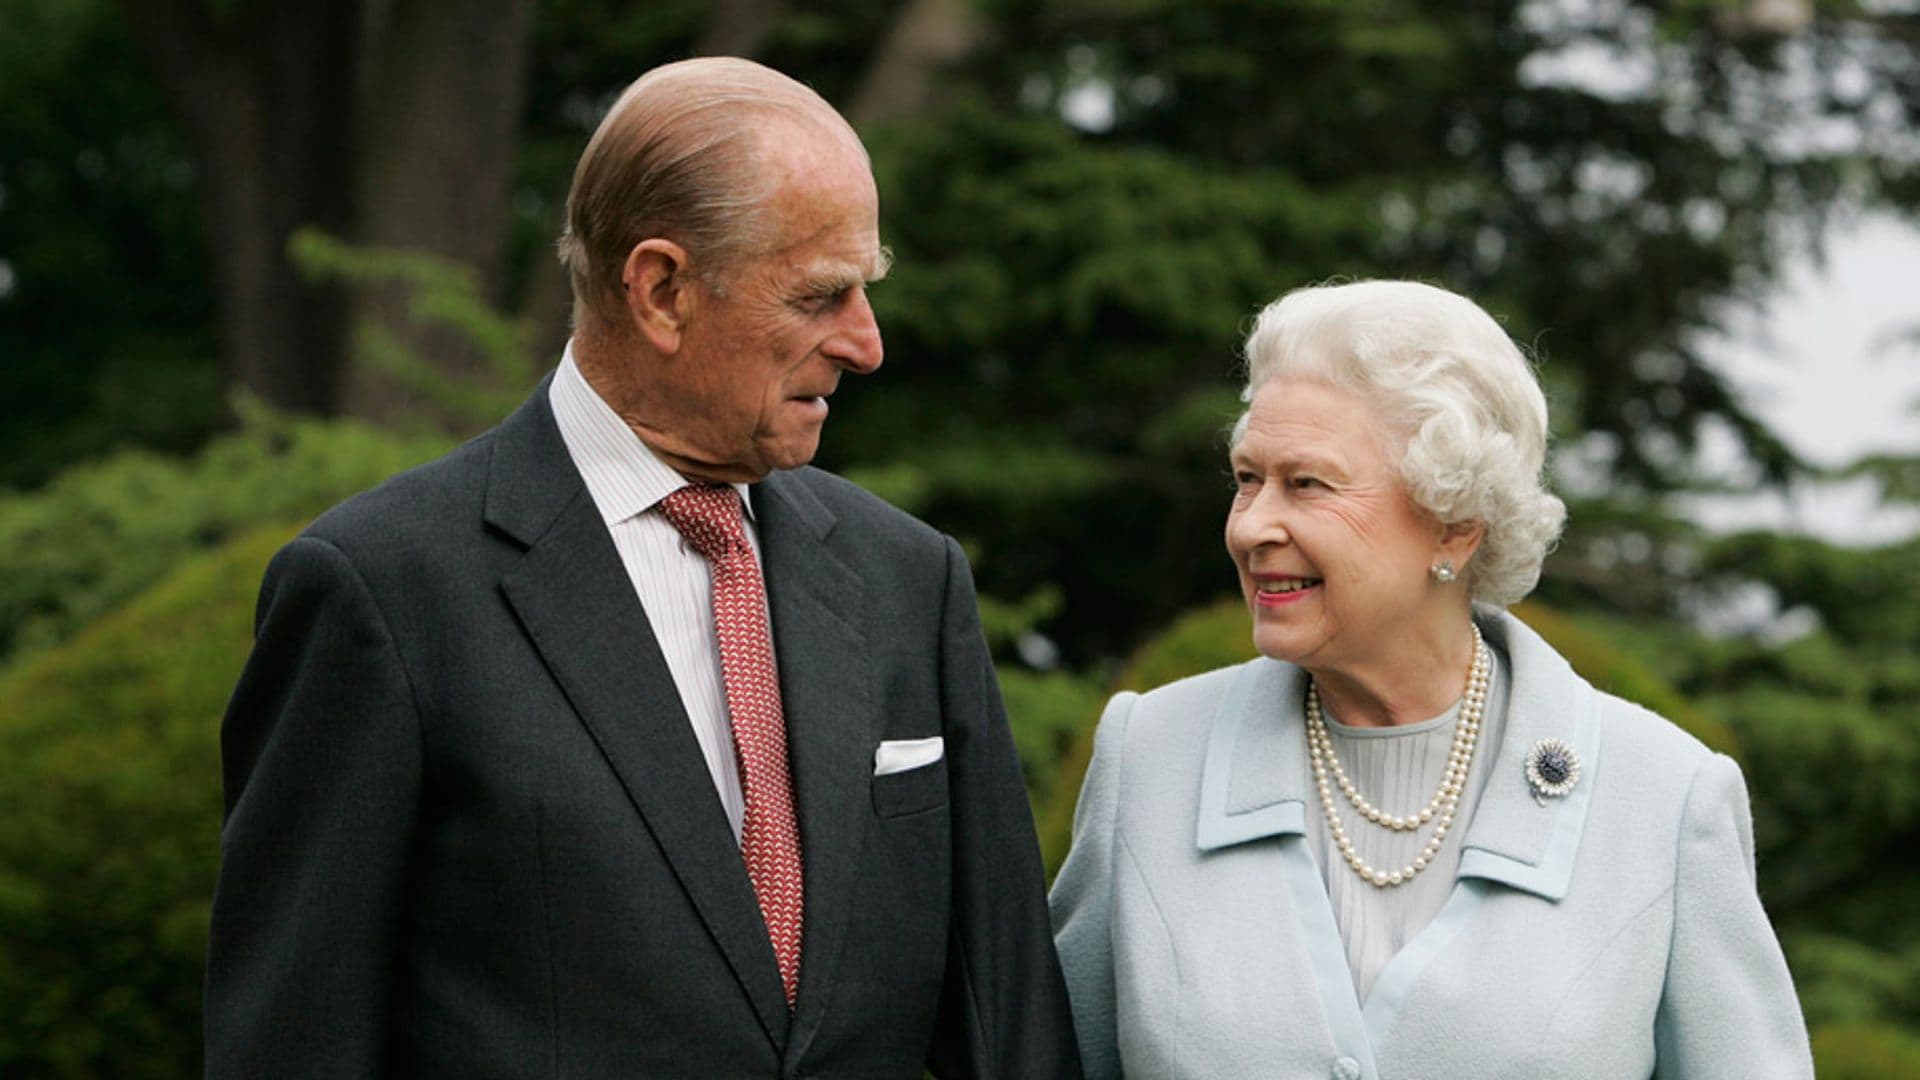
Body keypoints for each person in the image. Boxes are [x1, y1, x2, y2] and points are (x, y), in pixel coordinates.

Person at [205, 57, 1080, 1078]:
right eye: (821, 295)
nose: (867, 343)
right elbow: (292, 1044)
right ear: (662, 290)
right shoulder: (382, 592)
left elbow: (1012, 1030)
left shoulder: (909, 581)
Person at [1049, 280, 1812, 1078]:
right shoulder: (1150, 758)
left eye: (1307, 484)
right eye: (1247, 478)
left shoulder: (1663, 797)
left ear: (1453, 522)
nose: (1251, 526)